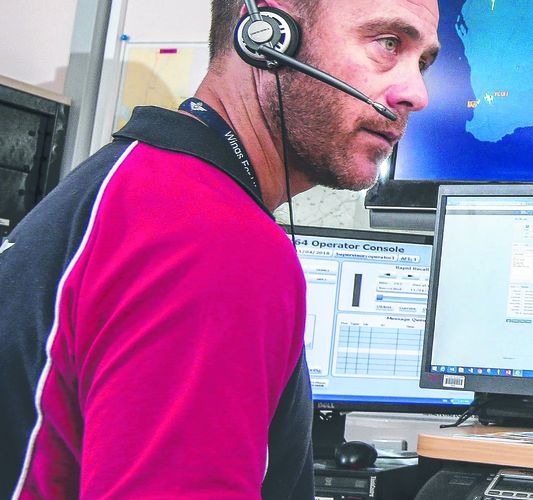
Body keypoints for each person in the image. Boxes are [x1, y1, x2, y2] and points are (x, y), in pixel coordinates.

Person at [0, 0, 438, 497]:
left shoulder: (138, 184)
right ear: (269, 35)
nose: (417, 94)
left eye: (423, 62)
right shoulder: (211, 241)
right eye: (388, 44)